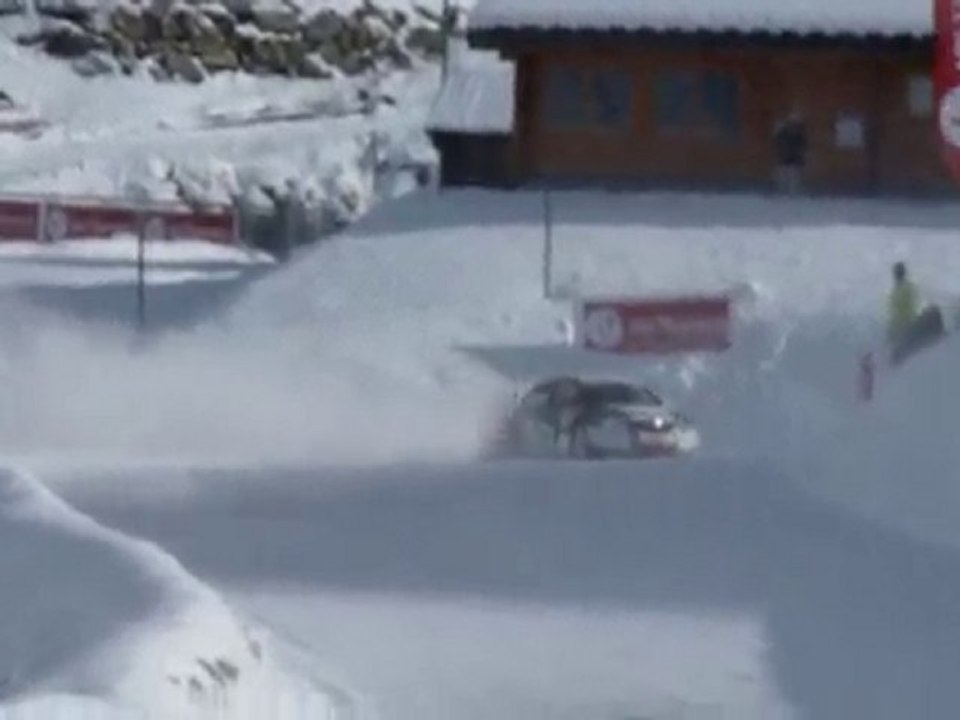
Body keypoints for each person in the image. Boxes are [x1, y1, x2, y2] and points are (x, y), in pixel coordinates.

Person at [773, 111, 808, 194]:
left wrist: (801, 155)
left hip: (796, 159)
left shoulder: (800, 134)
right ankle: (782, 193)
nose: (793, 125)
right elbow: (777, 143)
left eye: (795, 123)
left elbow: (804, 146)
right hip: (784, 158)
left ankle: (793, 194)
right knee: (782, 177)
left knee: (794, 178)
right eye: (792, 123)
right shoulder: (783, 133)